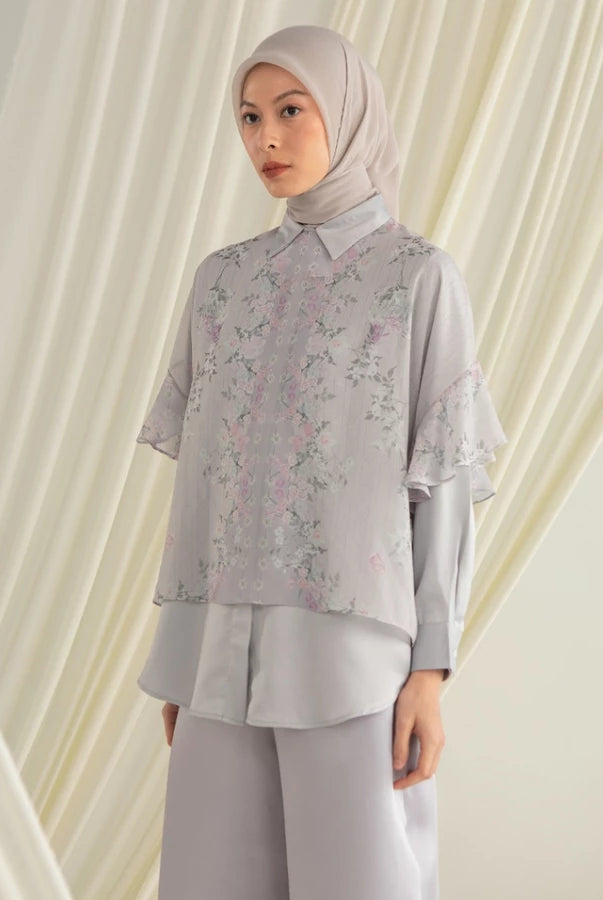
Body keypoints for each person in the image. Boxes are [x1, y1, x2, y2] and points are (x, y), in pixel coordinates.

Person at [135, 24, 507, 900]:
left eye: (291, 111)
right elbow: (201, 485)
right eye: (249, 116)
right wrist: (186, 650)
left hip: (352, 660)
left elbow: (441, 484)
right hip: (221, 663)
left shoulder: (417, 278)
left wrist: (429, 673)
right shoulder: (222, 282)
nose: (265, 137)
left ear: (346, 111)